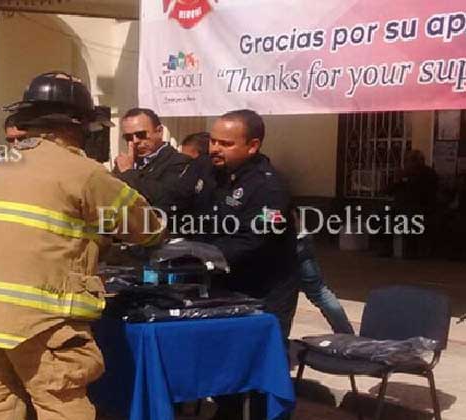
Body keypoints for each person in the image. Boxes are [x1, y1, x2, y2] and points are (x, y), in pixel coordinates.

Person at [0, 72, 164, 420]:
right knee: (61, 405)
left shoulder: (1, 171)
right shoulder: (85, 172)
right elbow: (147, 228)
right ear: (78, 125)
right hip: (41, 322)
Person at [195, 109, 298, 339]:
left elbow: (254, 239)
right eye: (213, 141)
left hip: (263, 289)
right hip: (221, 282)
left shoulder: (270, 188)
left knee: (261, 355)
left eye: (225, 143)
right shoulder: (208, 170)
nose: (215, 148)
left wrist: (200, 255)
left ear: (252, 146)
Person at [113, 108, 196, 213]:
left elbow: (164, 198)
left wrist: (129, 173)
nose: (135, 141)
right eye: (128, 137)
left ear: (159, 131)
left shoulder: (179, 162)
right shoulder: (126, 163)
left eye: (141, 135)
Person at [293, 208, 354, 334]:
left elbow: (273, 217)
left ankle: (346, 335)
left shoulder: (269, 192)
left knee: (319, 292)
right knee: (319, 293)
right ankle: (346, 334)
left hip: (293, 243)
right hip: (296, 240)